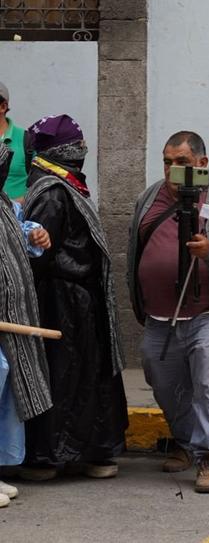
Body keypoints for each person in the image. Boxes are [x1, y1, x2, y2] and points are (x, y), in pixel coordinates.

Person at [127, 131, 209, 494]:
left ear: (202, 163)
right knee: (162, 383)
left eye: (181, 162)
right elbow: (135, 250)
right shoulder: (149, 198)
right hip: (159, 318)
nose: (172, 169)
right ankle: (185, 440)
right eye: (167, 161)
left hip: (207, 316)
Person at [19, 114, 127, 481]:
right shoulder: (55, 191)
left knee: (71, 376)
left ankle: (59, 456)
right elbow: (36, 252)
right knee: (69, 377)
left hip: (70, 302)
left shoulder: (54, 188)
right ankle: (70, 455)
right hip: (62, 301)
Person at [0, 141, 52, 507]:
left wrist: (36, 235)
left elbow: (18, 227)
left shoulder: (3, 203)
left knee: (6, 385)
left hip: (8, 317)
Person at [0, 83, 30, 203]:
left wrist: (14, 206)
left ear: (3, 107)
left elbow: (40, 186)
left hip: (17, 219)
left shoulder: (26, 140)